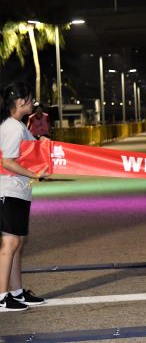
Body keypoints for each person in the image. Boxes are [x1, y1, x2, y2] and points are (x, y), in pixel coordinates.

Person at [0, 83, 49, 312]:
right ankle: (2, 297)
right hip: (8, 190)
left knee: (17, 244)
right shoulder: (12, 127)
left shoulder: (18, 126)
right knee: (10, 243)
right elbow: (8, 161)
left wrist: (43, 143)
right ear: (19, 101)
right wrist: (34, 175)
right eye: (30, 99)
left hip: (18, 190)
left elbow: (33, 150)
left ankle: (16, 292)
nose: (33, 102)